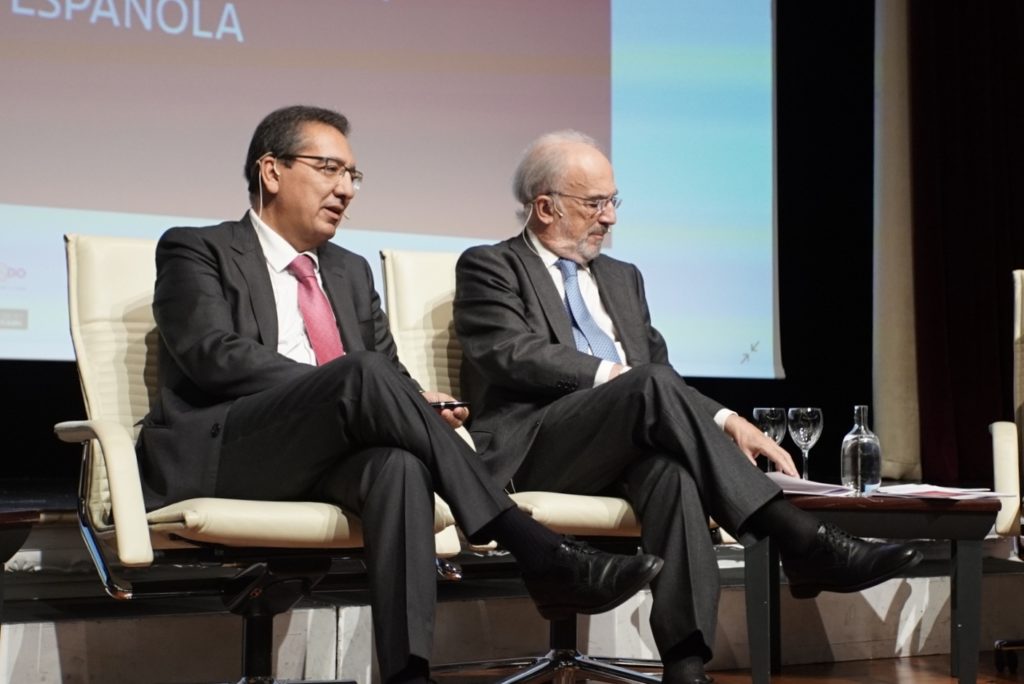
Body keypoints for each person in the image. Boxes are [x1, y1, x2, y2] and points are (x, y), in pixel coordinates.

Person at [136, 108, 664, 684]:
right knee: (357, 374)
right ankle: (531, 546)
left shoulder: (350, 271)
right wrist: (339, 387)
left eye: (353, 176)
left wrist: (418, 401)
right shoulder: (196, 248)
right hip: (231, 448)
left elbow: (389, 372)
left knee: (400, 467)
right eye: (329, 169)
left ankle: (408, 674)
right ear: (271, 171)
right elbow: (213, 355)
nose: (345, 189)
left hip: (330, 451)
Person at [452, 130, 923, 684]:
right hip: (537, 448)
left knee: (671, 474)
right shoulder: (490, 266)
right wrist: (620, 379)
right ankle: (796, 538)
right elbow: (511, 354)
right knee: (646, 385)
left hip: (623, 447)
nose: (610, 218)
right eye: (595, 204)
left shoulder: (623, 278)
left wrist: (729, 420)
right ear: (545, 208)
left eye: (614, 201)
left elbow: (663, 381)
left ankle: (686, 662)